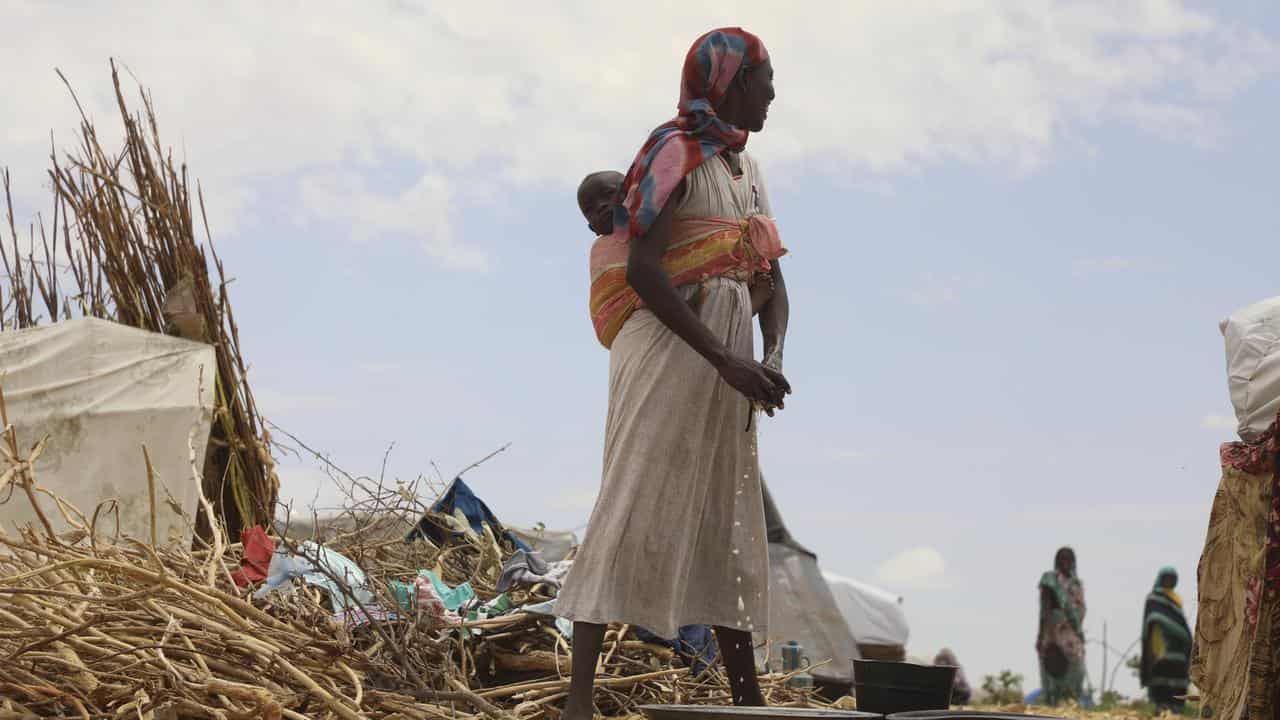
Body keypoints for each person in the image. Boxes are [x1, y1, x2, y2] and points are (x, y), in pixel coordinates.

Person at [558, 27, 789, 720]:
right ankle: (579, 702)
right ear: (729, 82)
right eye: (764, 77)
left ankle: (744, 697)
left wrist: (769, 357)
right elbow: (643, 269)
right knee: (632, 497)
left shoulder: (751, 172)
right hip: (669, 350)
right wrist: (725, 359)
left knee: (726, 508)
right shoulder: (674, 152)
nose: (773, 91)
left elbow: (772, 279)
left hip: (732, 359)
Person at [580, 170, 774, 316]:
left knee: (715, 311)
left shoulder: (659, 226)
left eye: (609, 193)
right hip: (634, 313)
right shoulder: (603, 249)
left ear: (634, 194)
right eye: (590, 208)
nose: (601, 206)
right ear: (592, 229)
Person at [1037, 547, 1086, 705]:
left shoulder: (1076, 583)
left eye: (1069, 559)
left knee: (1077, 671)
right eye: (1062, 559)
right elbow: (1044, 609)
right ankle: (1053, 705)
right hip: (1053, 631)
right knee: (1053, 669)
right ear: (1057, 561)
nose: (1066, 563)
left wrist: (1078, 631)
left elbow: (1079, 609)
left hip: (1072, 634)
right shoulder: (1050, 580)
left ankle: (1070, 703)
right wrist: (1042, 635)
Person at [1139, 566, 1191, 711]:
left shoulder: (1176, 599)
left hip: (1178, 650)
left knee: (1177, 683)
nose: (1169, 581)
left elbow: (1179, 622)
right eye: (1166, 578)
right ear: (1161, 579)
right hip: (1159, 647)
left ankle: (1175, 711)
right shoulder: (1153, 598)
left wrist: (1184, 636)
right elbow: (1152, 618)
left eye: (1172, 579)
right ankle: (1161, 709)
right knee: (1160, 684)